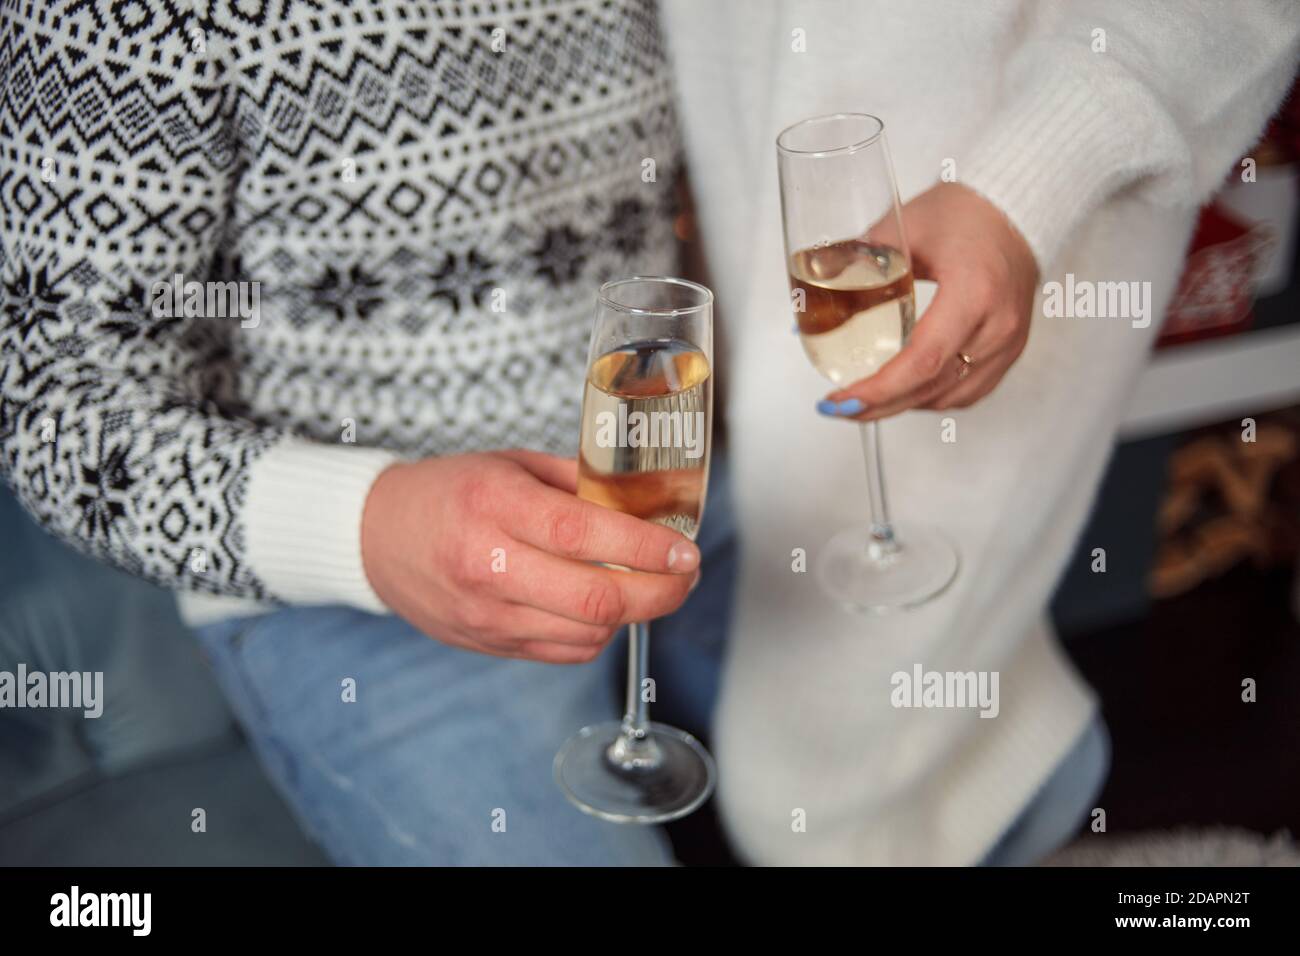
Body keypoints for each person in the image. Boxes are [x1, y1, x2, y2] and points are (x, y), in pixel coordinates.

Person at [2, 0, 1296, 867]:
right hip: (350, 592)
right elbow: (58, 405)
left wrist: (1025, 183)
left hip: (671, 486)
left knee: (1019, 768)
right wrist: (370, 524)